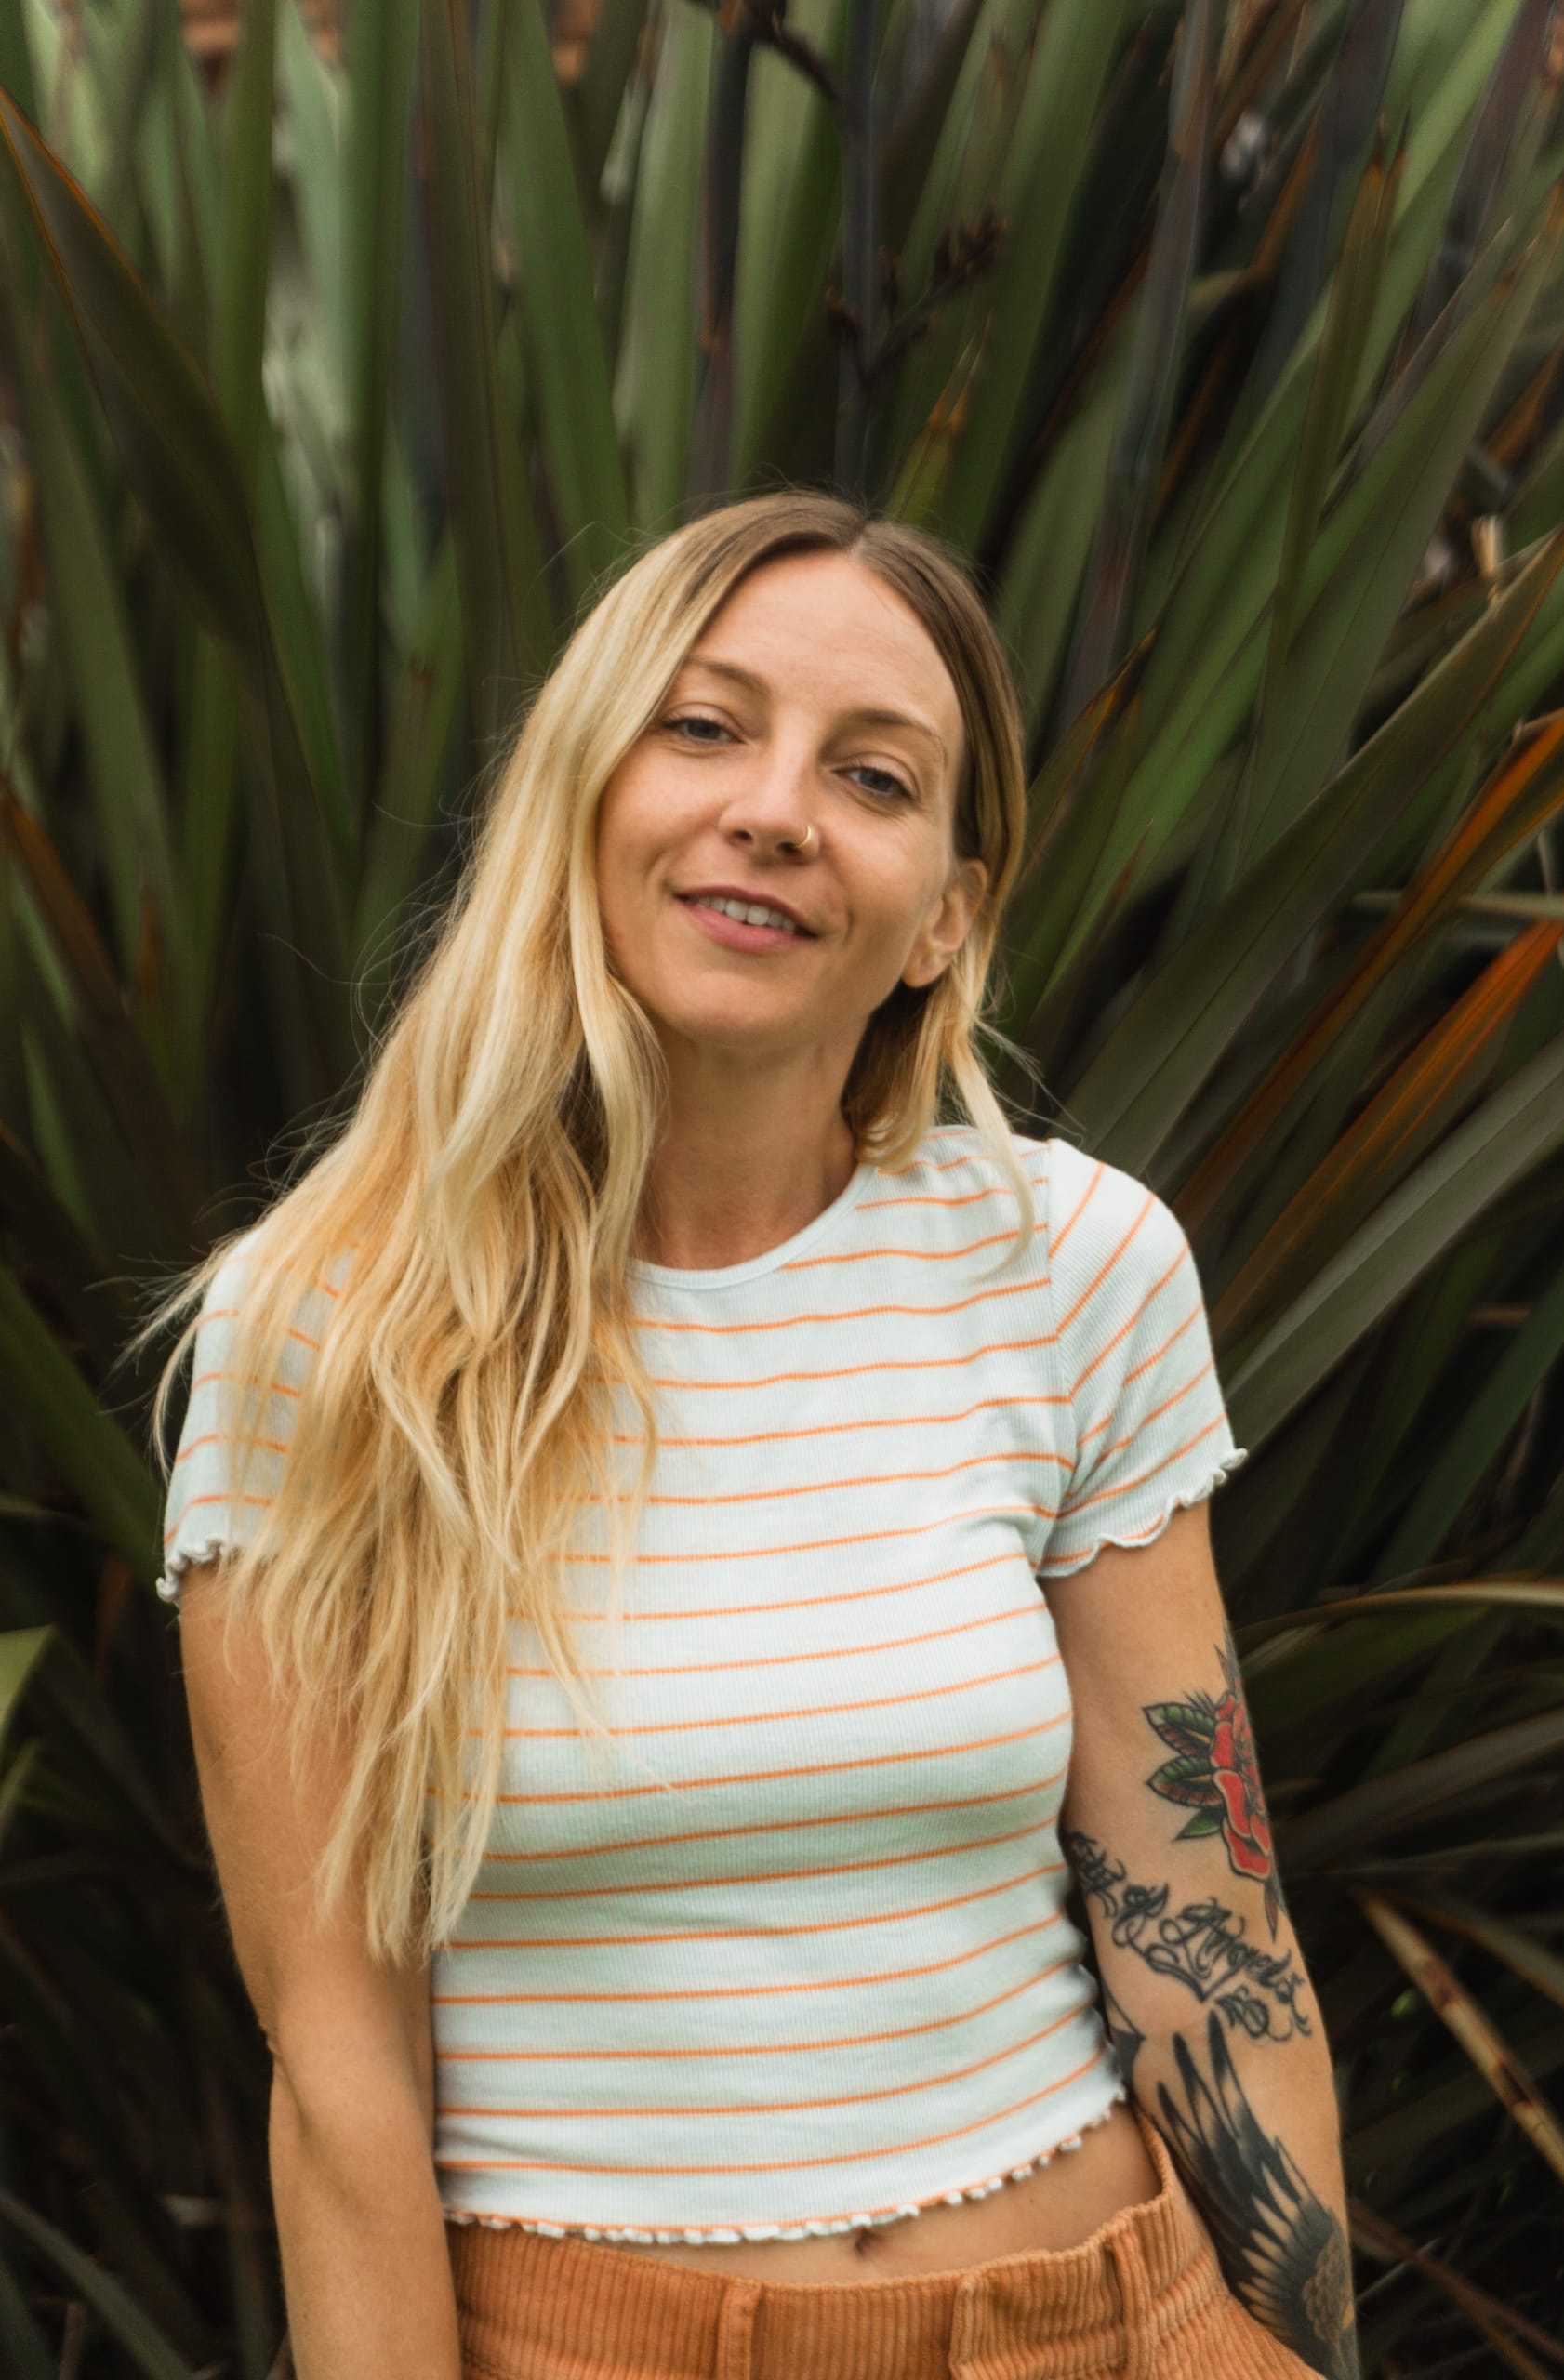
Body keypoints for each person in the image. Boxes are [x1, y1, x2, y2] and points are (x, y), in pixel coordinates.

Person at [145, 490, 1359, 2380]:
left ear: (945, 913)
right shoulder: (322, 1337)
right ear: (583, 793)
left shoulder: (1069, 1266)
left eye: (874, 777)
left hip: (1114, 2315)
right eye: (705, 726)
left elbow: (1210, 1930)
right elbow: (340, 2069)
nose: (776, 808)